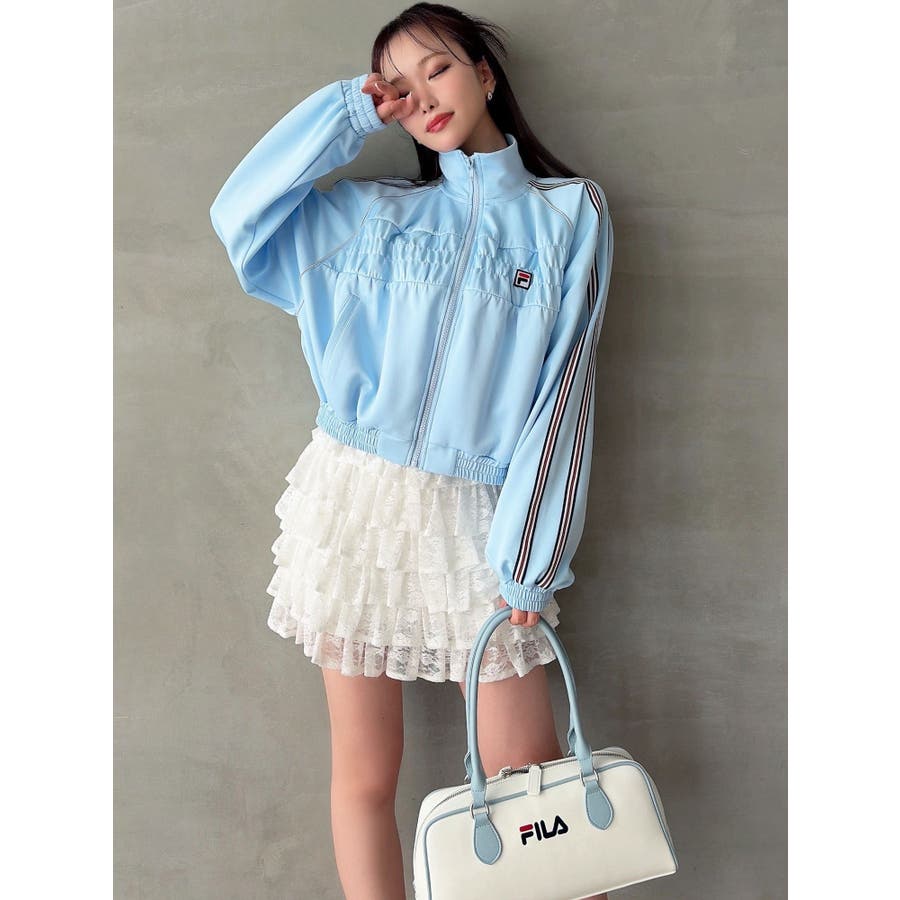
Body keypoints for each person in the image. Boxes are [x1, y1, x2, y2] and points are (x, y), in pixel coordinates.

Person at [209, 4, 613, 897]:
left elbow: (564, 398)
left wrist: (530, 562)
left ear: (484, 73)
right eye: (397, 84)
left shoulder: (566, 217)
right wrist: (346, 114)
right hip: (355, 504)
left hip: (483, 519)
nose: (423, 96)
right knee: (364, 778)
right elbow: (238, 216)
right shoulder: (370, 217)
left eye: (437, 69)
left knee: (528, 784)